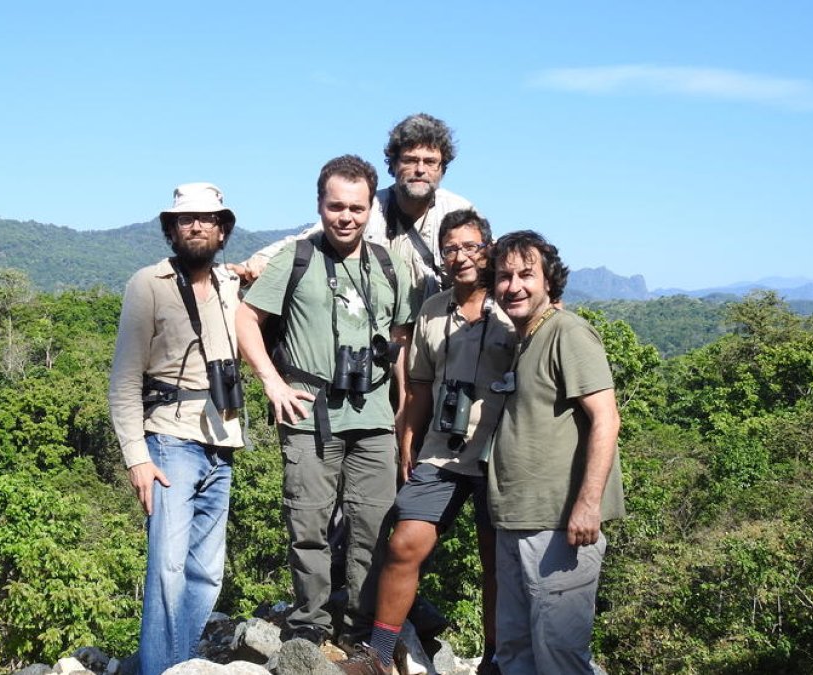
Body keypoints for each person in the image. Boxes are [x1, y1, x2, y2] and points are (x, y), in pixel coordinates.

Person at [234, 155, 419, 648]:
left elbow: (400, 336)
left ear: (369, 210)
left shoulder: (389, 264)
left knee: (373, 528)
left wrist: (403, 408)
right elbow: (245, 320)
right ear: (319, 204)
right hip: (308, 410)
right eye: (336, 206)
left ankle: (361, 628)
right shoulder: (295, 258)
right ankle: (309, 625)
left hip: (374, 414)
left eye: (357, 208)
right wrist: (272, 383)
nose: (346, 217)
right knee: (308, 523)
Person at [336, 209, 514, 675]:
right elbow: (418, 383)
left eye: (471, 246)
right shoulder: (434, 309)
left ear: (489, 248)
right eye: (451, 248)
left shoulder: (511, 305)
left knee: (495, 562)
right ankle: (378, 653)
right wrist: (408, 435)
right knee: (403, 544)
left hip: (501, 452)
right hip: (443, 450)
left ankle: (494, 657)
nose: (461, 257)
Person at [108, 183, 246, 675]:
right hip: (169, 440)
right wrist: (136, 456)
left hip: (222, 440)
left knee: (206, 573)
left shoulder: (232, 285)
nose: (197, 226)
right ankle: (159, 669)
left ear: (223, 229)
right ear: (171, 229)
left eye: (208, 218)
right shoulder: (149, 283)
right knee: (167, 569)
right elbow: (124, 377)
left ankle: (180, 664)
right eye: (185, 219)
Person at [487, 230, 625, 674]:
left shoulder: (568, 331)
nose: (514, 285)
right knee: (514, 650)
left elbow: (606, 418)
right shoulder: (525, 338)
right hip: (515, 521)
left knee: (560, 657)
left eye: (527, 274)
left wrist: (587, 505)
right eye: (504, 276)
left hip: (560, 526)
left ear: (549, 281)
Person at [238, 113, 473, 305]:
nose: (420, 169)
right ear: (393, 164)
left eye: (430, 161)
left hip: (436, 338)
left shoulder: (460, 213)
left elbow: (488, 262)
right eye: (410, 160)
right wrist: (257, 262)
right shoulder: (368, 208)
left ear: (442, 168)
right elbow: (308, 239)